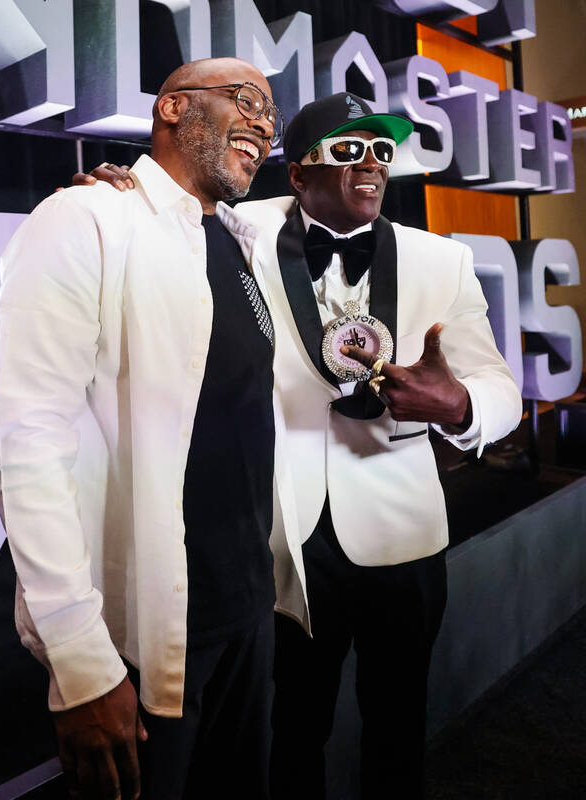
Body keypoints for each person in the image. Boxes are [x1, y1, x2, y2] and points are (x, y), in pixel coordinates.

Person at [77, 92, 523, 799]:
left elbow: (502, 388)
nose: (372, 163)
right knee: (291, 731)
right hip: (283, 541)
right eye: (349, 150)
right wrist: (112, 191)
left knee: (397, 729)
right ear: (298, 174)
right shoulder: (239, 225)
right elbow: (164, 202)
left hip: (403, 536)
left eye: (382, 150)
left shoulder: (444, 260)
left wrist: (460, 404)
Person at [0, 57, 310, 800]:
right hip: (147, 633)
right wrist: (79, 661)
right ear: (172, 108)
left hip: (249, 609)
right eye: (246, 100)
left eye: (272, 116)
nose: (264, 123)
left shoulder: (241, 234)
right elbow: (28, 445)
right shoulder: (85, 219)